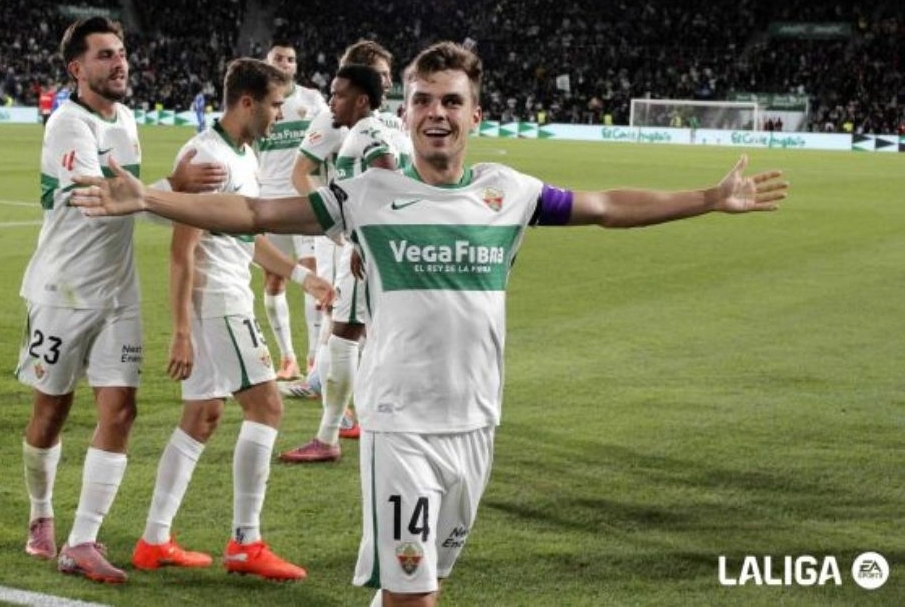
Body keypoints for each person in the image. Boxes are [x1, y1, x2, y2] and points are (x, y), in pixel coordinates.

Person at [69, 41, 789, 606]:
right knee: (417, 594)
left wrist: (708, 197)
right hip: (401, 425)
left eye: (451, 100)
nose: (436, 112)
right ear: (406, 112)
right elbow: (255, 212)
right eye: (422, 100)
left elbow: (605, 207)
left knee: (414, 588)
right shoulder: (367, 193)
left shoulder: (508, 192)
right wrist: (152, 199)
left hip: (477, 423)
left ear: (476, 114)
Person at [15, 16, 225, 585]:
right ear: (76, 68)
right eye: (105, 55)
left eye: (122, 52)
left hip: (118, 292)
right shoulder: (67, 123)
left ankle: (82, 540)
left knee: (122, 410)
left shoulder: (127, 120)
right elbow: (98, 198)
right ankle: (41, 512)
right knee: (50, 412)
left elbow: (132, 199)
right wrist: (172, 189)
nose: (119, 62)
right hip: (62, 292)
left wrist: (169, 192)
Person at [129, 58, 333, 583]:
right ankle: (246, 542)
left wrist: (300, 277)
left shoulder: (243, 154)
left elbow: (247, 234)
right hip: (218, 301)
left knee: (202, 414)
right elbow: (182, 251)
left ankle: (154, 539)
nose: (280, 114)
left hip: (224, 297)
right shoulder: (209, 158)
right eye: (275, 104)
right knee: (267, 405)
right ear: (247, 102)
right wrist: (181, 331)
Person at [280, 63, 410, 464]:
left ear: (362, 100)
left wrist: (363, 239)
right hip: (391, 249)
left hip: (367, 252)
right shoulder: (392, 126)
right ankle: (379, 421)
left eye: (339, 94)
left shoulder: (365, 131)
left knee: (342, 338)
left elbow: (387, 176)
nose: (332, 101)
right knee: (371, 335)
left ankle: (329, 436)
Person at [258, 40, 328, 382]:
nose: (285, 63)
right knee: (274, 280)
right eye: (279, 59)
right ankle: (288, 358)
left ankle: (314, 359)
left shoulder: (312, 100)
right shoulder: (258, 103)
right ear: (267, 63)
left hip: (305, 200)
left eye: (290, 59)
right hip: (269, 201)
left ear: (296, 66)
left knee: (313, 273)